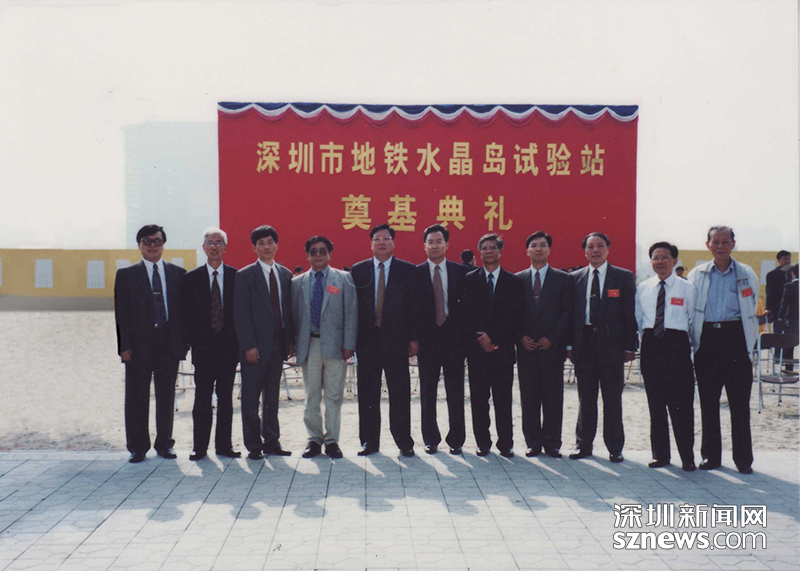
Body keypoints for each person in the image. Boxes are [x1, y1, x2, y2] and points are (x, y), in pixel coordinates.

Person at [688, 226, 760, 474]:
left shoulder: (746, 273)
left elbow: (751, 305)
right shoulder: (697, 274)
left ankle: (743, 460)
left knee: (739, 403)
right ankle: (711, 456)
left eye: (725, 242)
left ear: (733, 244)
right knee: (708, 402)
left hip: (735, 338)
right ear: (707, 245)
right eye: (715, 242)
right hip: (707, 339)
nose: (720, 246)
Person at [114, 224, 187, 463]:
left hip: (168, 344)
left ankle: (165, 444)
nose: (152, 246)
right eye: (147, 241)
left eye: (157, 241)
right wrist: (124, 346)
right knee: (136, 397)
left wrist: (183, 344)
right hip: (138, 346)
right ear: (139, 245)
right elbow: (121, 314)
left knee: (166, 396)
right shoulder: (126, 275)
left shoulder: (178, 274)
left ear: (163, 244)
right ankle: (137, 447)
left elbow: (183, 313)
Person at [567, 232, 637, 463]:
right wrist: (569, 345)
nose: (595, 250)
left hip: (612, 346)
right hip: (584, 343)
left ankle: (615, 448)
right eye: (590, 247)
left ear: (608, 249)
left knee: (612, 398)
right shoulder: (575, 278)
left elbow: (629, 313)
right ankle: (583, 445)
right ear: (585, 252)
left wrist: (630, 346)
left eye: (600, 246)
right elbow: (571, 315)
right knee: (586, 399)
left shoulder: (623, 277)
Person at [350, 224, 418, 457]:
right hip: (367, 342)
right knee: (367, 393)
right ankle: (369, 441)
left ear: (393, 242)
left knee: (400, 393)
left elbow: (414, 308)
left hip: (397, 341)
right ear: (371, 244)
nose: (381, 242)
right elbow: (352, 309)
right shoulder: (358, 270)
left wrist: (414, 338)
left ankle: (404, 441)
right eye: (377, 239)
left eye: (386, 238)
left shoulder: (407, 270)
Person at [291, 236, 357, 459]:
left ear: (330, 254)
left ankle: (332, 440)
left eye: (322, 251)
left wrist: (349, 345)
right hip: (309, 344)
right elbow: (294, 316)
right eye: (313, 252)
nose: (318, 255)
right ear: (307, 255)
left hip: (336, 347)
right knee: (311, 396)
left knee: (334, 396)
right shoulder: (297, 283)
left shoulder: (344, 279)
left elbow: (351, 313)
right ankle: (313, 439)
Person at [234, 225, 294, 459]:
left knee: (272, 397)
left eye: (270, 242)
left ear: (276, 245)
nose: (266, 247)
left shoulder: (285, 274)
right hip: (255, 348)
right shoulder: (245, 275)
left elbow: (288, 311)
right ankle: (253, 445)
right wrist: (249, 345)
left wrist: (290, 342)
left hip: (278, 345)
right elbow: (241, 314)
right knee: (250, 398)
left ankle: (271, 441)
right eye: (261, 243)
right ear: (254, 248)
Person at [635, 242, 696, 471]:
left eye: (665, 257)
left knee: (681, 405)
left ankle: (687, 457)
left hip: (677, 345)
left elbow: (692, 319)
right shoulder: (643, 288)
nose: (660, 262)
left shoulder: (686, 287)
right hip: (651, 345)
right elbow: (639, 319)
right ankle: (660, 455)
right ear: (651, 261)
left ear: (675, 261)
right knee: (656, 404)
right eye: (655, 258)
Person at [180, 228, 240, 461]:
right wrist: (192, 343)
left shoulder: (236, 277)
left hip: (228, 349)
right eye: (210, 243)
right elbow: (185, 315)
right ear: (203, 248)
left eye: (219, 242)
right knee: (202, 398)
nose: (214, 246)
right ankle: (200, 447)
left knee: (226, 398)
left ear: (225, 247)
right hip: (203, 350)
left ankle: (224, 446)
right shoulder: (191, 279)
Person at [463, 233, 523, 457]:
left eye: (493, 247)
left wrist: (494, 338)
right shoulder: (469, 279)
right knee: (479, 399)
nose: (489, 251)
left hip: (502, 350)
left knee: (503, 399)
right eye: (485, 248)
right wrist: (482, 338)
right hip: (477, 350)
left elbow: (515, 317)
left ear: (500, 252)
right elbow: (465, 314)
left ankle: (506, 443)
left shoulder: (514, 282)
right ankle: (482, 442)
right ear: (479, 253)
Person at [515, 231, 571, 458]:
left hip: (551, 349)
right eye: (534, 245)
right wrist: (520, 336)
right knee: (529, 397)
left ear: (549, 250)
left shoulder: (563, 279)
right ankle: (533, 442)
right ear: (527, 250)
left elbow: (567, 312)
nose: (538, 249)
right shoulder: (518, 279)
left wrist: (554, 338)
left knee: (553, 397)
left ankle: (552, 443)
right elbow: (512, 314)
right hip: (526, 348)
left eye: (543, 245)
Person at [415, 224, 469, 455]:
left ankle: (456, 439)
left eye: (439, 241)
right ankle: (430, 438)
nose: (435, 246)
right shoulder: (416, 273)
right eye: (431, 242)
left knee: (455, 390)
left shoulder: (461, 272)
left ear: (447, 245)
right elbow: (411, 310)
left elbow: (468, 309)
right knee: (427, 391)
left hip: (453, 337)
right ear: (424, 246)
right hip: (427, 339)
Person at [766, 250, 793, 365]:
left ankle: (787, 359)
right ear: (779, 260)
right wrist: (769, 308)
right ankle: (777, 356)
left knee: (790, 335)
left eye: (789, 258)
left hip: (790, 310)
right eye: (784, 259)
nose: (787, 261)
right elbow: (769, 293)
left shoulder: (791, 274)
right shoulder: (773, 274)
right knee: (778, 334)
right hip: (777, 309)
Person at [778, 263, 799, 338]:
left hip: (792, 318)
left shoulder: (789, 286)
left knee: (791, 341)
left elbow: (784, 304)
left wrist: (780, 317)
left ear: (793, 274)